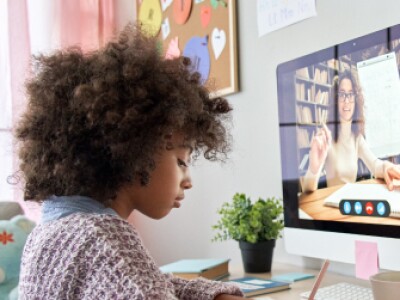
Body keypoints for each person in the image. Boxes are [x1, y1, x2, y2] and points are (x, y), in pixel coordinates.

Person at [15, 25, 245, 299]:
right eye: (181, 161)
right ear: (137, 153)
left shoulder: (52, 230)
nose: (188, 180)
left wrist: (214, 295)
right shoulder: (101, 236)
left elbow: (151, 280)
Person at [303, 70, 400, 192]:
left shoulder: (357, 138)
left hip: (350, 202)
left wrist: (386, 166)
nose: (346, 100)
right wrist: (313, 170)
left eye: (350, 94)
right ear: (336, 100)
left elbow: (375, 165)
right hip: (331, 203)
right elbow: (307, 189)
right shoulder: (326, 137)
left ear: (356, 99)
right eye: (342, 94)